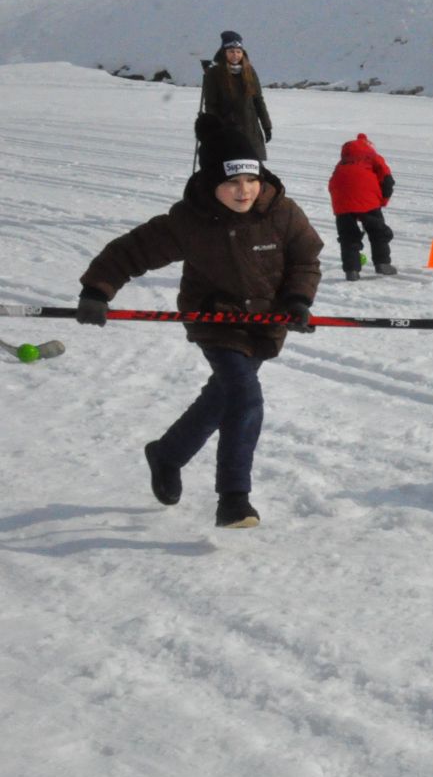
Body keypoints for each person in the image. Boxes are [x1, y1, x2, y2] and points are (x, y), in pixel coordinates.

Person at [76, 115, 322, 529]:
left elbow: (305, 259)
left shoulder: (282, 213)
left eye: (250, 180)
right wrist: (97, 291)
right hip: (216, 319)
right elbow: (131, 251)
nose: (243, 191)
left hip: (264, 322)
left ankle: (167, 454)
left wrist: (297, 301)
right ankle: (233, 498)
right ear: (212, 183)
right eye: (231, 183)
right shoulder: (190, 220)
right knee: (244, 396)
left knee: (221, 398)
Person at [327, 133, 397, 281]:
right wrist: (382, 201)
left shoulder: (342, 163)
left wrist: (340, 203)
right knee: (377, 231)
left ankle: (351, 271)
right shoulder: (374, 157)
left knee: (348, 235)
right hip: (367, 199)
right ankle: (382, 263)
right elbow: (387, 180)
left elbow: (333, 183)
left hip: (341, 200)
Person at [199, 30, 271, 162]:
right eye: (231, 51)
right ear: (224, 53)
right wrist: (217, 130)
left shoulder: (249, 71)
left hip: (251, 131)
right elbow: (211, 105)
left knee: (254, 171)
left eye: (238, 51)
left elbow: (258, 100)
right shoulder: (214, 74)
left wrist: (267, 126)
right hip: (227, 130)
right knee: (232, 170)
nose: (235, 55)